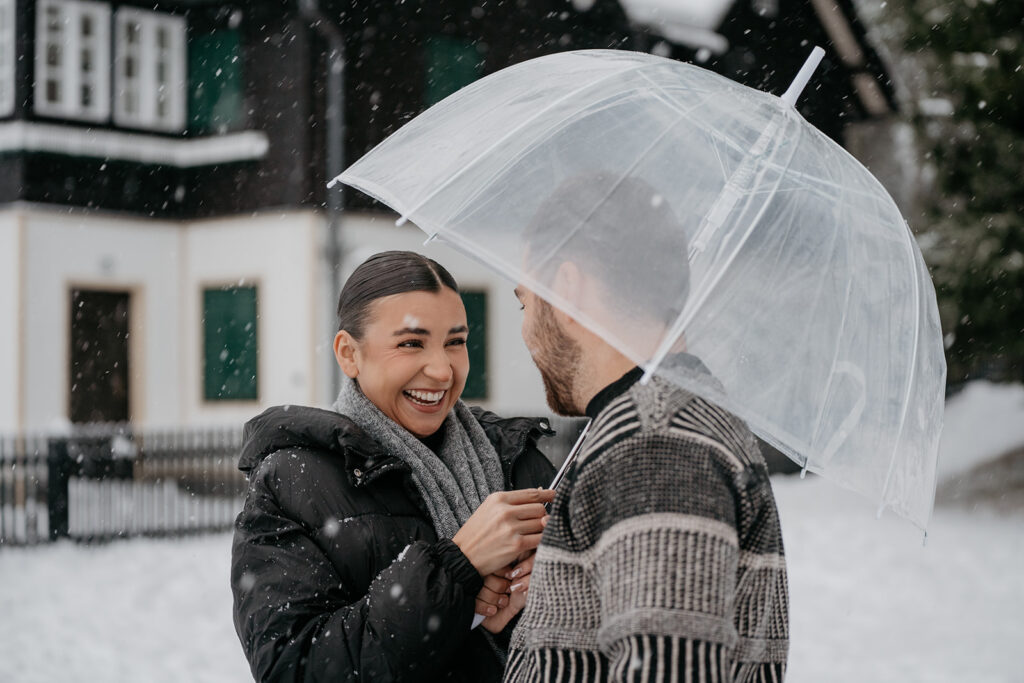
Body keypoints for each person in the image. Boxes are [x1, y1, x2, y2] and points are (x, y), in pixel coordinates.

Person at [502, 175, 790, 682]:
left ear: (567, 290)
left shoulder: (656, 445)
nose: (524, 329)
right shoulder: (666, 425)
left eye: (525, 302)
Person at [230, 251, 556, 682]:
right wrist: (456, 570)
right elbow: (295, 668)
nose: (442, 370)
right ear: (349, 354)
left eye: (455, 341)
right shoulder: (293, 484)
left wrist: (533, 605)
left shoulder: (517, 458)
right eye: (411, 343)